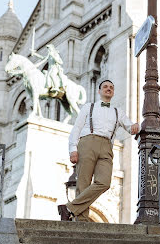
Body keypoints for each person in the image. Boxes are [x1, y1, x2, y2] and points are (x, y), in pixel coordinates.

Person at [58, 79, 139, 221]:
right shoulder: (88, 107)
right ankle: (81, 221)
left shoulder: (117, 112)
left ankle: (69, 208)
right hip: (87, 143)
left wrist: (135, 126)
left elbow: (129, 126)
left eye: (111, 87)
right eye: (105, 87)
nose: (108, 89)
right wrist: (73, 149)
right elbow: (76, 128)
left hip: (107, 146)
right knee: (83, 182)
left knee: (104, 182)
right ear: (99, 91)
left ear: (113, 92)